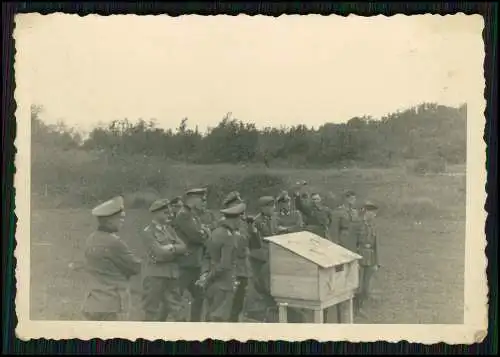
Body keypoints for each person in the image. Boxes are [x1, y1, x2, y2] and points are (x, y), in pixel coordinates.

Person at [81, 196, 141, 321]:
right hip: (112, 304)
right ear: (109, 221)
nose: (122, 221)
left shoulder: (90, 239)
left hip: (92, 302)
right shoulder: (114, 243)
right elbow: (135, 267)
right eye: (120, 218)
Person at [195, 202, 246, 322]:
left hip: (212, 285)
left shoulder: (216, 232)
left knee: (210, 315)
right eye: (240, 219)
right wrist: (208, 278)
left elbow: (207, 256)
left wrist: (204, 275)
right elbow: (224, 265)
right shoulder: (229, 237)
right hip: (224, 286)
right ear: (236, 219)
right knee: (219, 320)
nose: (241, 222)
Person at [141, 199, 188, 321]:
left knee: (177, 310)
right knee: (151, 311)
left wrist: (171, 247)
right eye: (166, 213)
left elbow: (184, 247)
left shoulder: (169, 230)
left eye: (170, 212)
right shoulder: (148, 232)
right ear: (156, 214)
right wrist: (175, 252)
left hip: (171, 275)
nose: (170, 215)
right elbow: (159, 253)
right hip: (155, 276)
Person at [218, 191, 261, 322]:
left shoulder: (242, 223)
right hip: (232, 269)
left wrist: (253, 230)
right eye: (237, 204)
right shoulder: (224, 224)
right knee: (228, 305)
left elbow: (255, 245)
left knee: (238, 304)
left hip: (243, 269)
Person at [172, 188, 210, 322]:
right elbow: (197, 237)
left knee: (199, 296)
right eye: (201, 199)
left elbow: (202, 235)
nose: (204, 203)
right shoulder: (184, 215)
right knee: (176, 298)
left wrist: (204, 233)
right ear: (192, 200)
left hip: (194, 264)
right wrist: (205, 233)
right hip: (184, 264)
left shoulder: (193, 216)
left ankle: (194, 325)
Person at [353, 201, 380, 318]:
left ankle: (360, 308)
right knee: (358, 286)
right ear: (367, 212)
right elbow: (352, 243)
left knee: (366, 287)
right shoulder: (357, 225)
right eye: (373, 213)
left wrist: (376, 262)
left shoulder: (372, 226)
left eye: (375, 214)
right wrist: (355, 261)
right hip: (360, 257)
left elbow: (375, 246)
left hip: (370, 258)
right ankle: (355, 309)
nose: (374, 216)